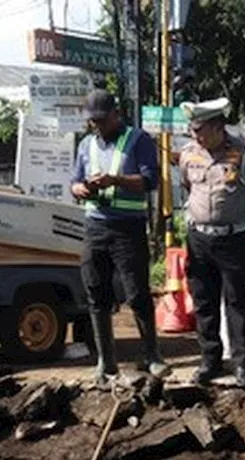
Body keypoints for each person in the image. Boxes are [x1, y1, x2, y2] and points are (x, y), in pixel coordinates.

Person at [70, 90, 168, 388]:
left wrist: (116, 181)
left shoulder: (138, 140)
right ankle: (106, 361)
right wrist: (81, 189)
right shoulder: (86, 145)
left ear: (116, 114)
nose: (96, 126)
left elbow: (150, 180)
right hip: (95, 226)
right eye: (92, 121)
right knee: (96, 295)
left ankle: (152, 355)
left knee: (137, 293)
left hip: (128, 228)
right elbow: (74, 181)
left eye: (100, 120)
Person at [174, 97, 245, 389]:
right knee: (204, 301)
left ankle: (242, 363)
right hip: (199, 237)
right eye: (192, 128)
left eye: (200, 129)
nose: (194, 135)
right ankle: (210, 359)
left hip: (234, 237)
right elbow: (188, 186)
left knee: (237, 301)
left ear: (217, 127)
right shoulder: (189, 154)